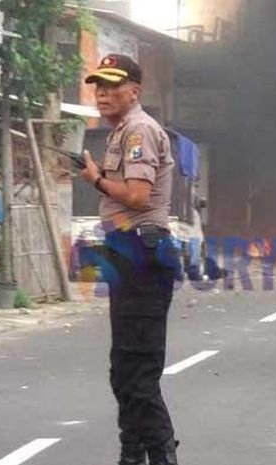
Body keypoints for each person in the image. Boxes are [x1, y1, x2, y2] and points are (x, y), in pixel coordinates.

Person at [81, 54, 180, 465]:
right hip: (129, 253)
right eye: (98, 85)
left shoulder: (138, 129)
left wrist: (97, 180)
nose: (102, 93)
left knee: (137, 375)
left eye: (112, 85)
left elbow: (138, 196)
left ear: (134, 90)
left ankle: (158, 457)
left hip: (142, 252)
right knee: (124, 371)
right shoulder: (123, 131)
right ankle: (132, 455)